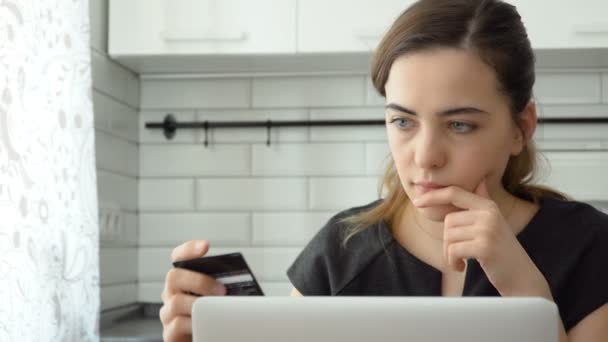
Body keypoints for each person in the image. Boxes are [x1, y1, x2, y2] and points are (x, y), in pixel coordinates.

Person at [159, 0, 608, 341]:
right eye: (402, 121)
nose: (425, 155)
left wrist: (529, 296)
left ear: (520, 127)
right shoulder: (342, 249)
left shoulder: (590, 247)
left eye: (459, 124)